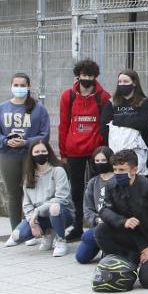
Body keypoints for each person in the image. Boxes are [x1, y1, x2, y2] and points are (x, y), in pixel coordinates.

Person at [94, 149, 148, 289]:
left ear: (134, 170)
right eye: (115, 169)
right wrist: (122, 221)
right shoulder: (112, 185)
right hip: (133, 236)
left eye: (122, 169)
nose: (117, 173)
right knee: (101, 230)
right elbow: (104, 210)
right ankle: (124, 260)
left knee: (147, 281)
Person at [0, 72, 51, 234]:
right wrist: (5, 141)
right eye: (16, 85)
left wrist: (27, 142)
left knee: (33, 192)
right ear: (11, 86)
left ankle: (35, 228)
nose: (19, 88)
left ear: (29, 87)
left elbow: (45, 135)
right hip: (8, 155)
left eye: (23, 85)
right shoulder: (1, 108)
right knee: (14, 194)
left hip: (31, 155)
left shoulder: (39, 109)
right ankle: (17, 231)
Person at [58, 59, 110, 240]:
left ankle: (99, 225)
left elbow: (106, 125)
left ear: (95, 77)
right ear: (78, 76)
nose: (86, 79)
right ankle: (77, 226)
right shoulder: (68, 96)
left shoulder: (103, 97)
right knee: (76, 190)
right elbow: (63, 124)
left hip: (96, 150)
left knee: (99, 188)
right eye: (83, 75)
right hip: (74, 150)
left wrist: (104, 148)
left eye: (90, 76)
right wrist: (63, 152)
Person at [4, 138, 74, 257]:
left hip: (61, 214)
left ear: (49, 152)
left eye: (43, 151)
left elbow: (61, 198)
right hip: (39, 217)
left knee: (54, 208)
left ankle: (61, 240)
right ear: (31, 155)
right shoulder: (29, 175)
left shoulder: (58, 171)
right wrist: (32, 221)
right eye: (36, 152)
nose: (40, 154)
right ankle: (48, 232)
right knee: (17, 236)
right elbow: (26, 203)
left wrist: (37, 211)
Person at [101, 69, 148, 175]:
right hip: (116, 150)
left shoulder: (143, 102)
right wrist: (130, 121)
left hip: (138, 150)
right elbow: (104, 126)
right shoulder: (111, 102)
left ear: (134, 83)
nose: (122, 84)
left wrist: (117, 121)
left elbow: (142, 123)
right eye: (120, 82)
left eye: (125, 82)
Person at [75, 146, 115, 264]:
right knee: (81, 257)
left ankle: (110, 250)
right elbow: (87, 209)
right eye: (97, 161)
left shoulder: (118, 180)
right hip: (98, 224)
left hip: (115, 224)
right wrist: (96, 219)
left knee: (88, 236)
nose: (100, 164)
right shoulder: (93, 182)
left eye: (103, 161)